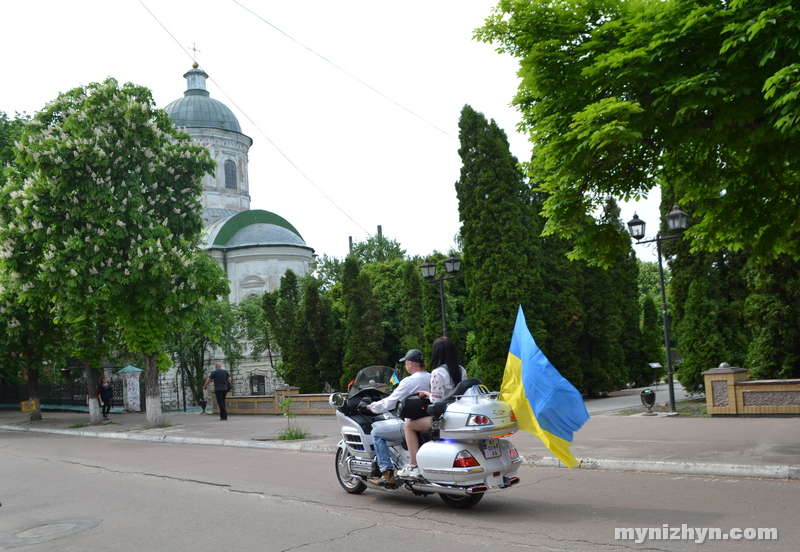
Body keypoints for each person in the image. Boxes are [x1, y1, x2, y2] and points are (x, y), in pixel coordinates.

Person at [398, 336, 467, 479]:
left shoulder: (437, 373)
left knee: (409, 426)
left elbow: (436, 400)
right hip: (458, 414)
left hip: (443, 417)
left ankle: (413, 465)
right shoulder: (461, 370)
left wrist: (426, 393)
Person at [365, 349, 430, 488]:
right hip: (427, 422)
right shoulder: (430, 377)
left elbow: (390, 402)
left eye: (406, 363)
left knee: (377, 433)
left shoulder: (409, 381)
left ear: (410, 363)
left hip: (413, 424)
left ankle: (387, 474)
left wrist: (371, 407)